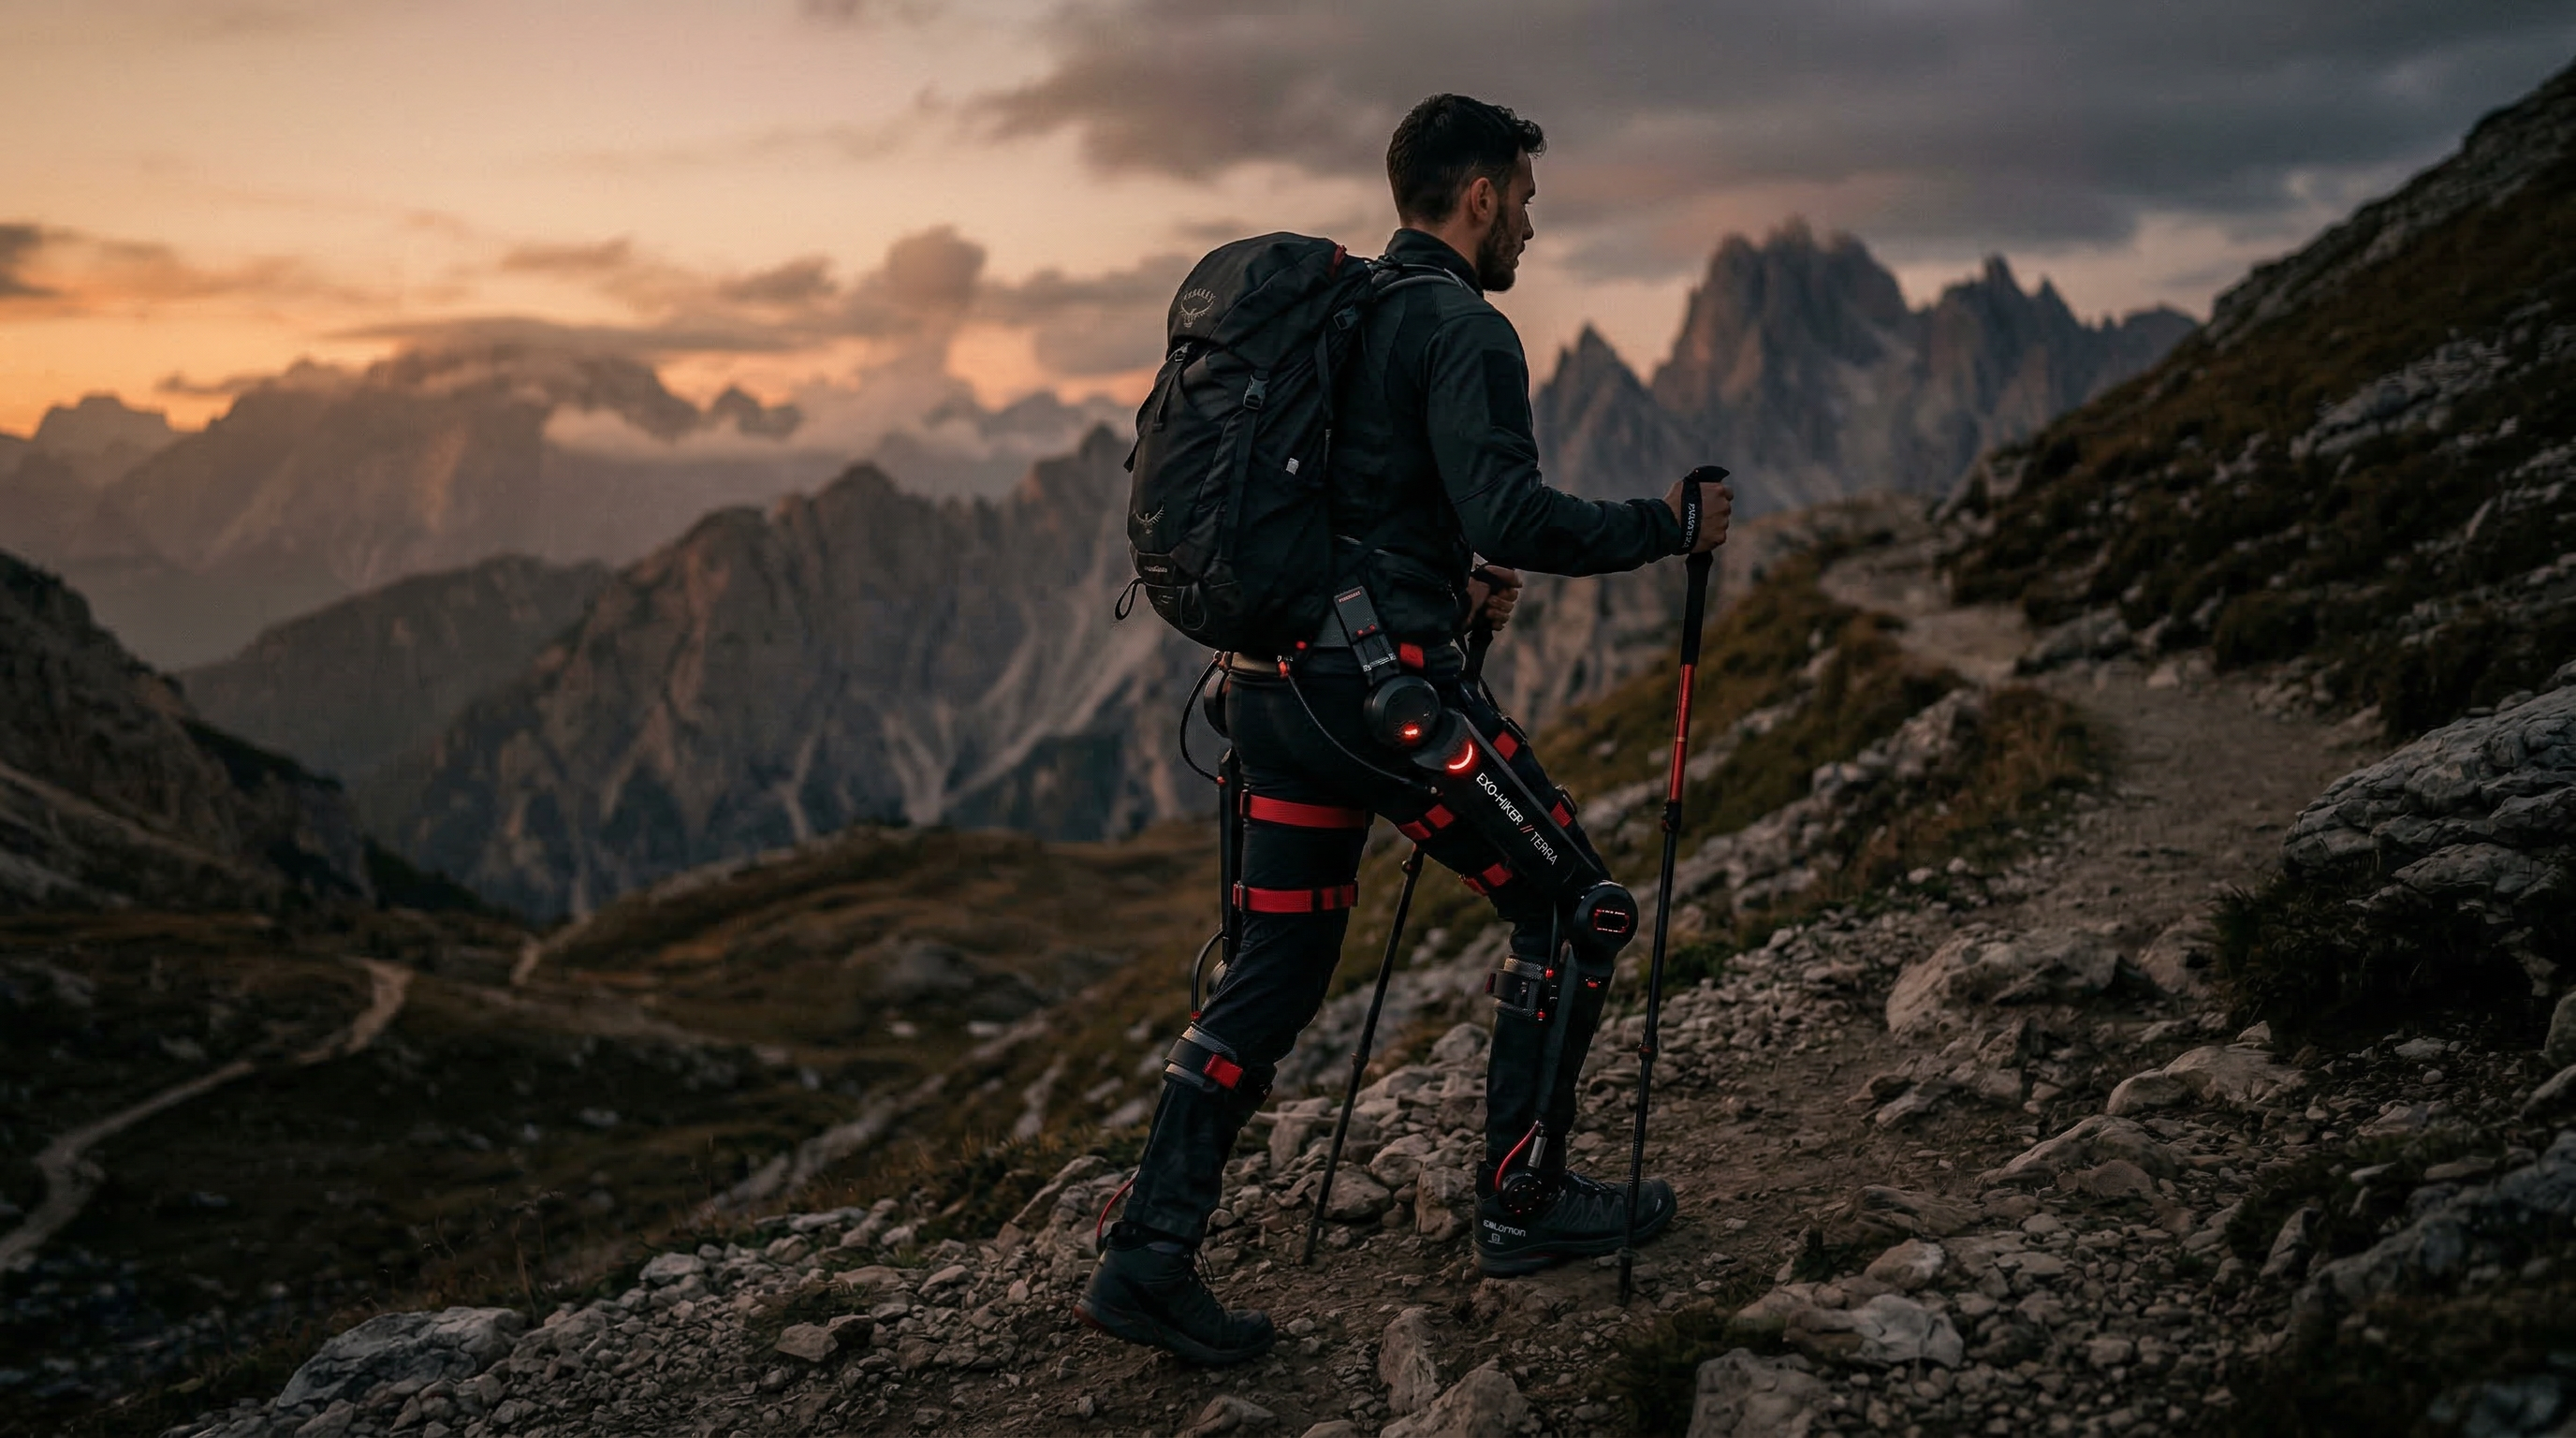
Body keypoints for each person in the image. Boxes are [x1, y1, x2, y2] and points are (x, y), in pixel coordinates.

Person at [1077, 93, 1732, 1365]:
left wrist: (1438, 572)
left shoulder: (1345, 313)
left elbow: (1368, 500)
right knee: (1578, 908)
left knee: (1272, 972)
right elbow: (1519, 517)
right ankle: (1525, 1201)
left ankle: (1149, 1258)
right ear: (1479, 196)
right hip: (1385, 702)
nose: (1531, 229)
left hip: (1271, 690)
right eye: (1525, 202)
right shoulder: (1461, 328)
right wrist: (1667, 526)